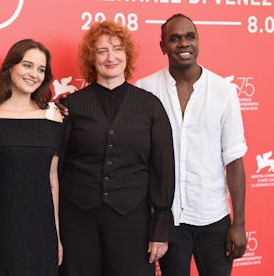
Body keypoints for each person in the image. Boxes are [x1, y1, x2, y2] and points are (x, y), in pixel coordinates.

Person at [57, 20, 175, 276]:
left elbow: (163, 169)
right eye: (102, 51)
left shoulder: (149, 106)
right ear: (92, 58)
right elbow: (57, 168)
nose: (111, 57)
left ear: (127, 55)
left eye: (117, 49)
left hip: (133, 222)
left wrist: (161, 226)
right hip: (77, 221)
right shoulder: (71, 106)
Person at [135, 13, 247, 276]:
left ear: (198, 41)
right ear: (162, 46)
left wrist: (239, 223)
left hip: (214, 218)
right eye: (174, 38)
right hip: (167, 221)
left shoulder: (224, 91)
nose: (183, 44)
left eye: (190, 36)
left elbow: (234, 160)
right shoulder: (145, 89)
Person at [0, 39, 64, 276]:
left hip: (43, 231)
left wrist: (56, 235)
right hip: (5, 229)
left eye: (41, 69)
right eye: (27, 65)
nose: (34, 74)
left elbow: (53, 181)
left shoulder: (52, 117)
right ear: (10, 67)